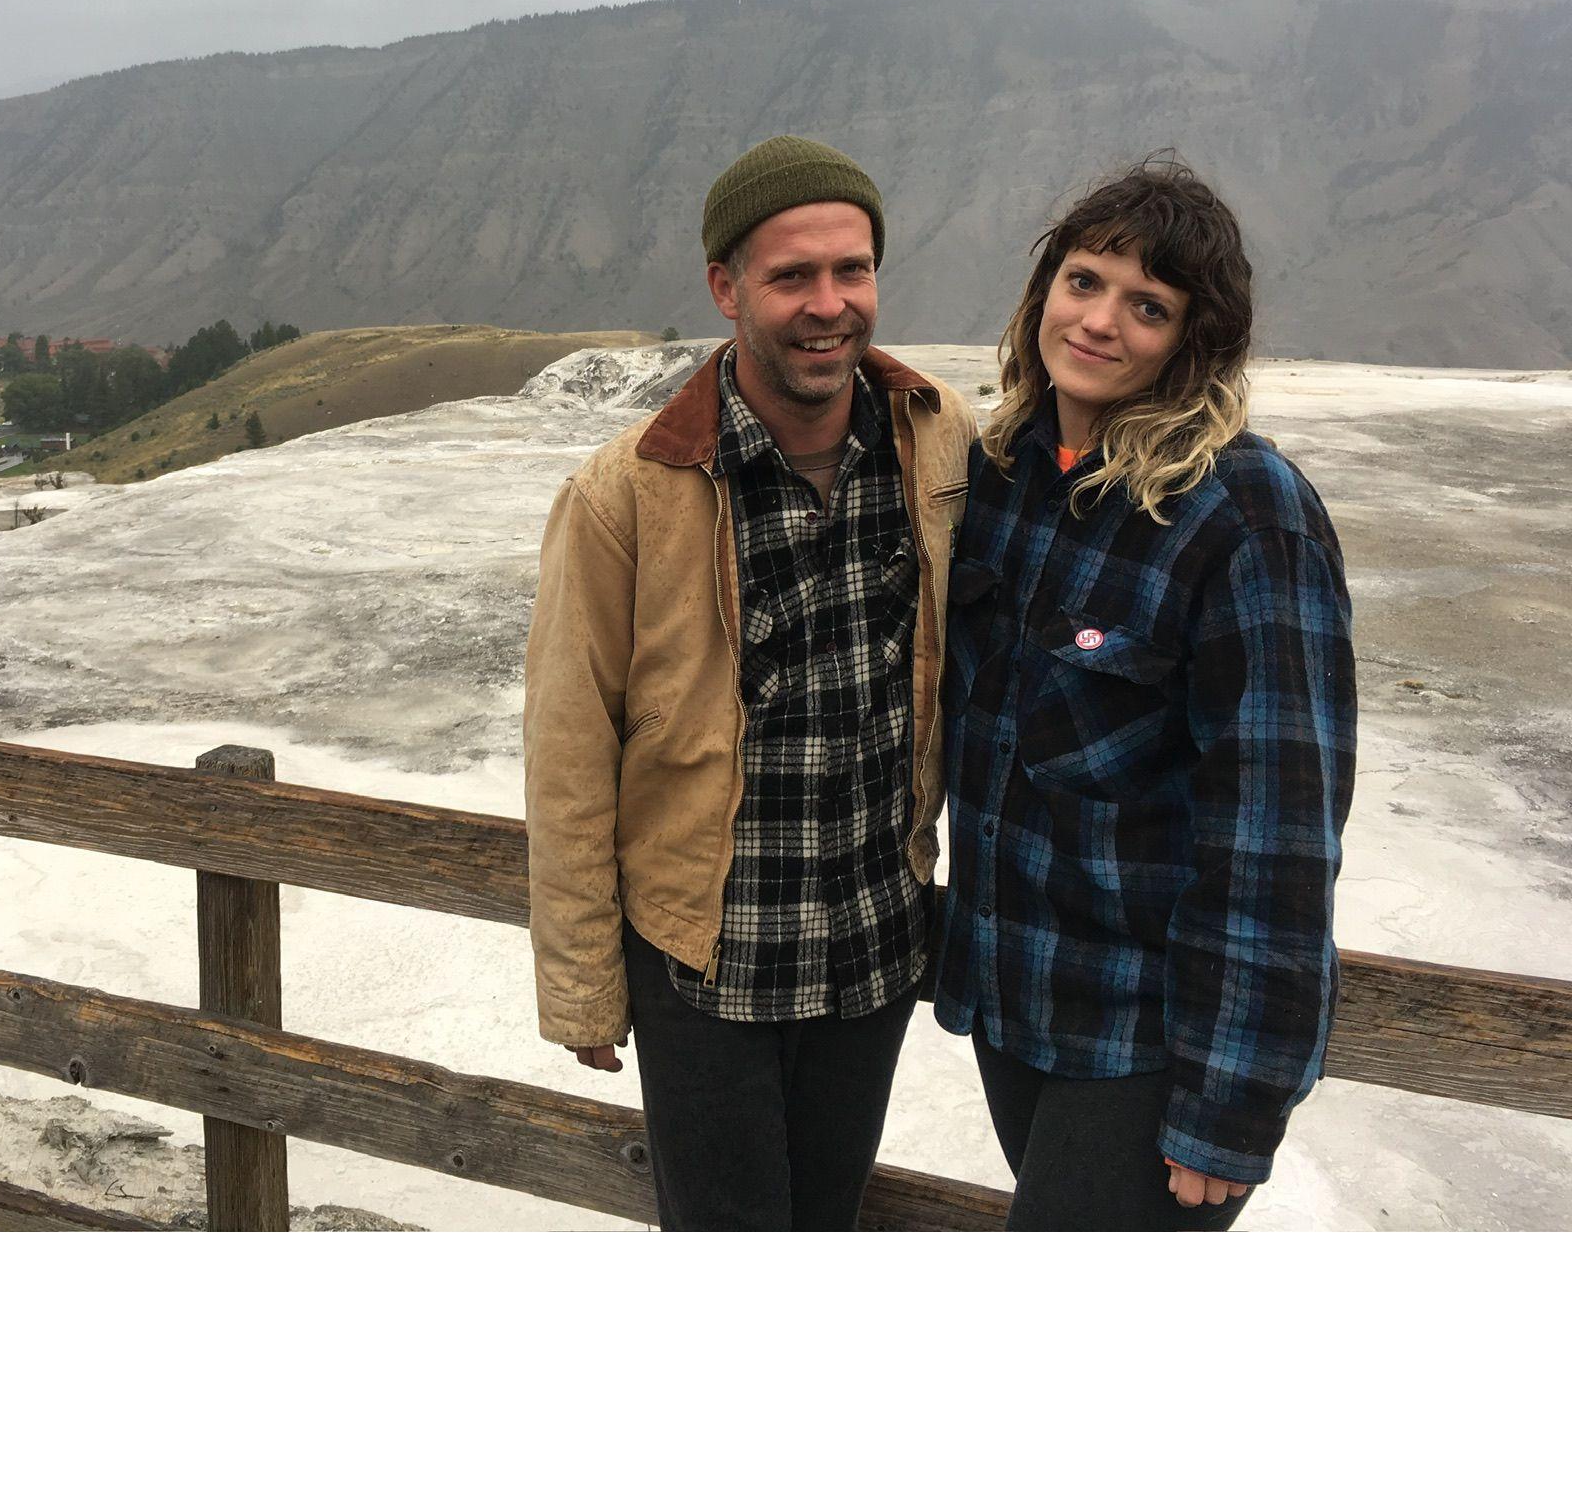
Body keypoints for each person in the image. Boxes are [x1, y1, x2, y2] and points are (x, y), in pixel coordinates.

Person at [523, 135, 977, 1230]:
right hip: (704, 967)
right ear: (725, 287)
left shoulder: (939, 441)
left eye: (850, 269)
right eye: (791, 276)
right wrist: (583, 979)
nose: (828, 304)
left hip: (872, 949)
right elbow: (569, 743)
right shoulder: (626, 493)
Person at [932, 157, 1355, 1230]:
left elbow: (1274, 832)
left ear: (1193, 340)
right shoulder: (1001, 474)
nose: (1099, 320)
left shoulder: (1242, 512)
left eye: (1147, 304)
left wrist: (1229, 1100)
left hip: (1144, 1038)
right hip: (1014, 1006)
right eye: (1082, 280)